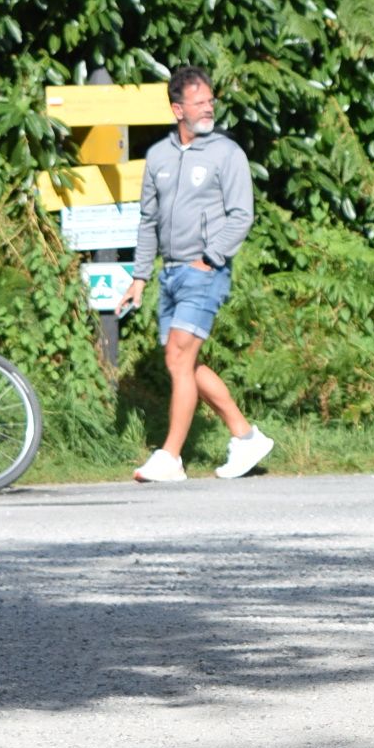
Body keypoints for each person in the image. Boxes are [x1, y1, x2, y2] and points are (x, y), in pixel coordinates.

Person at [117, 65, 270, 483]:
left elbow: (241, 215)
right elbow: (148, 220)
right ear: (177, 109)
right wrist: (140, 277)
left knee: (180, 357)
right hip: (169, 274)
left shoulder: (227, 153)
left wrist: (211, 257)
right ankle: (245, 436)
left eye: (210, 100)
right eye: (198, 102)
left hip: (206, 272)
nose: (208, 107)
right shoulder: (159, 156)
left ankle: (170, 456)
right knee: (181, 361)